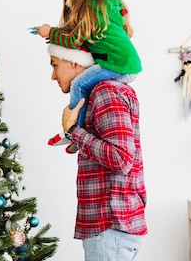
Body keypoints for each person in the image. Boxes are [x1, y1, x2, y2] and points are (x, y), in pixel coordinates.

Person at [47, 43, 147, 261]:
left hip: (110, 226)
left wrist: (73, 131)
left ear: (73, 61)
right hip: (110, 227)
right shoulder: (103, 92)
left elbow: (122, 159)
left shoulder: (106, 91)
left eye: (55, 65)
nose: (53, 75)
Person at [29, 0, 142, 153]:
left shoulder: (92, 10)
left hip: (118, 65)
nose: (66, 4)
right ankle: (78, 133)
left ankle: (73, 132)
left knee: (78, 85)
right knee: (86, 87)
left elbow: (74, 41)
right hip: (126, 65)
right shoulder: (106, 9)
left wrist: (50, 32)